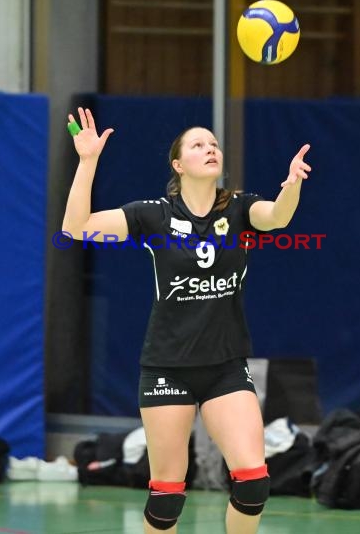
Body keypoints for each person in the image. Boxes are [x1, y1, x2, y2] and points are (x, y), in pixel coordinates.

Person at [62, 107, 312, 534]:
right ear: (179, 164)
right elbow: (76, 228)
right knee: (167, 497)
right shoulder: (153, 215)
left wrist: (291, 188)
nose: (210, 148)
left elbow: (278, 217)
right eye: (199, 144)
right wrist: (87, 162)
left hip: (225, 367)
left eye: (214, 144)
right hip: (167, 367)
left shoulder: (239, 209)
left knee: (253, 482)